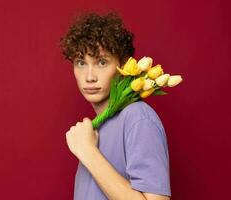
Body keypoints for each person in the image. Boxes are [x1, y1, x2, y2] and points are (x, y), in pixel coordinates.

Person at [59, 11, 171, 200]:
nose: (89, 76)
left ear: (123, 65)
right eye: (80, 63)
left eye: (102, 62)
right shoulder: (96, 127)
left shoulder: (138, 117)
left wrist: (88, 151)